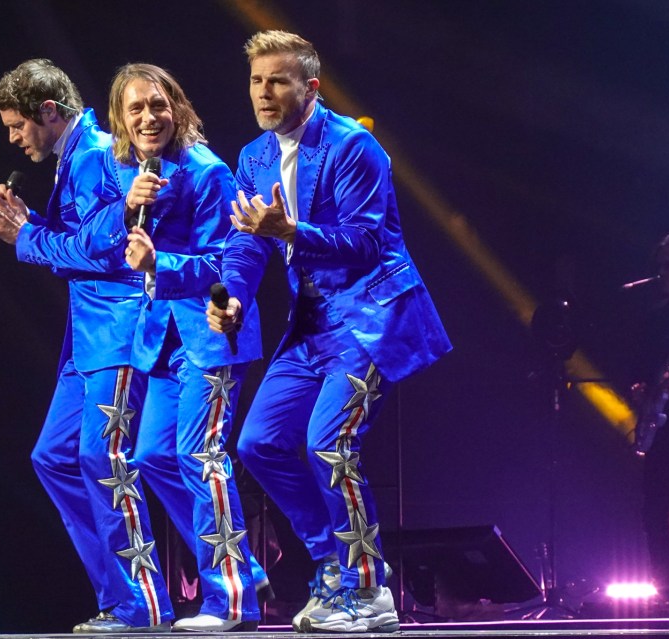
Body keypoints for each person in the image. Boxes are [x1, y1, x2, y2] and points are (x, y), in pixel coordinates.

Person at [206, 31, 451, 633]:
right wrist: (234, 297)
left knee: (328, 443)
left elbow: (368, 241)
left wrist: (290, 232)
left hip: (369, 317)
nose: (264, 93)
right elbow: (245, 240)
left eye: (278, 81)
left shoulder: (352, 146)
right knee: (258, 444)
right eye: (257, 81)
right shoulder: (255, 156)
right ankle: (332, 568)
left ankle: (369, 589)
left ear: (310, 87)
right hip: (311, 321)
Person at [0, 59, 173, 633]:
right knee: (53, 456)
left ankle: (143, 606)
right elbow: (83, 240)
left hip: (120, 331)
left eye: (17, 126)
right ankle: (121, 597)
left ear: (49, 112)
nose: (13, 138)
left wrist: (26, 236)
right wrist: (31, 225)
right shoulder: (75, 158)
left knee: (99, 459)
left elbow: (110, 249)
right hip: (88, 340)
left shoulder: (99, 154)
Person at [82, 62, 266, 631]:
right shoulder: (136, 173)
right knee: (153, 457)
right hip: (162, 340)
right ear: (119, 120)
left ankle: (232, 597)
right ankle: (242, 566)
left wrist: (160, 263)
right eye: (134, 109)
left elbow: (228, 258)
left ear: (177, 108)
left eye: (157, 105)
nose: (147, 117)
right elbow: (99, 246)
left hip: (209, 334)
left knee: (200, 456)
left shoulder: (208, 171)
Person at [631, 234, 669, 604]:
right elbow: (641, 367)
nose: (662, 273)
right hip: (663, 422)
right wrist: (639, 389)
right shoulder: (655, 318)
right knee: (652, 501)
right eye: (660, 265)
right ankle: (665, 587)